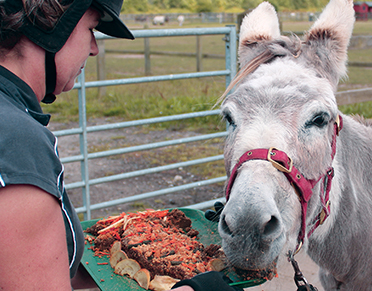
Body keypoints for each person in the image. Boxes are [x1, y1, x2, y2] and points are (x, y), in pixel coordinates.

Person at [0, 0, 240, 290]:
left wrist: (142, 246)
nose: (93, 47)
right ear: (51, 27)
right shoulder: (17, 142)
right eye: (90, 28)